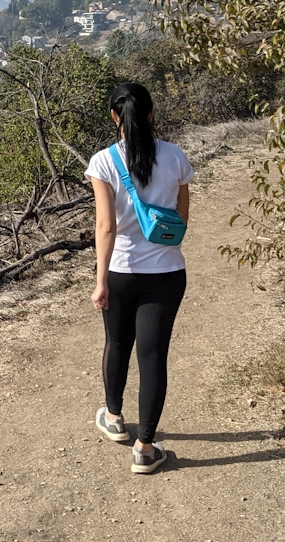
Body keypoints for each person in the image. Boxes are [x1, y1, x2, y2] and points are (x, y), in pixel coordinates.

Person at [85, 82, 193, 474]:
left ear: (116, 117)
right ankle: (145, 449)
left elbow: (105, 226)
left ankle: (114, 419)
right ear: (151, 114)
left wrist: (100, 281)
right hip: (166, 273)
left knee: (117, 343)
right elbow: (180, 222)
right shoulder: (176, 157)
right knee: (153, 357)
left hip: (121, 272)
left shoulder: (103, 162)